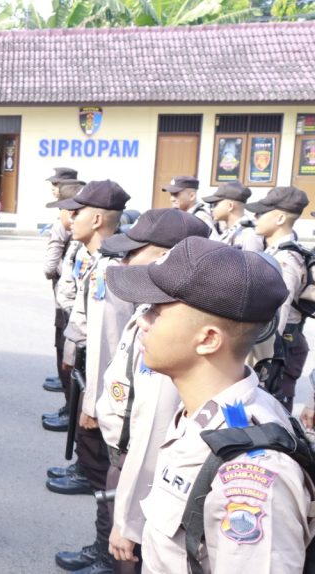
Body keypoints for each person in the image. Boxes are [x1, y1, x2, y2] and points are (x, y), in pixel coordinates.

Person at [106, 236, 314, 572]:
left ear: (208, 340)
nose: (141, 321)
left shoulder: (249, 473)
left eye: (156, 311)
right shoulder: (201, 413)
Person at [90, 208, 212, 574]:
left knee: (130, 557)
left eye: (133, 251)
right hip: (127, 459)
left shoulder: (172, 332)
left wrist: (128, 523)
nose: (124, 259)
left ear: (165, 257)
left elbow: (153, 431)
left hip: (146, 474)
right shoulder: (154, 312)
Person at [50, 180, 131, 574]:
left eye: (77, 212)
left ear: (97, 218)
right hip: (94, 376)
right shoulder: (98, 259)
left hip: (105, 387)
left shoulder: (110, 270)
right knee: (104, 471)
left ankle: (106, 552)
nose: (70, 218)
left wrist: (95, 403)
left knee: (107, 475)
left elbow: (108, 346)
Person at [247, 186, 310, 412]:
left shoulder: (286, 260)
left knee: (274, 412)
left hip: (280, 349)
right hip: (278, 347)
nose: (256, 217)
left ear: (280, 217)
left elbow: (277, 320)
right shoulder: (276, 252)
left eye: (262, 212)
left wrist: (259, 358)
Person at [42, 179, 86, 431]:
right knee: (64, 356)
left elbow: (53, 265)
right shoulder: (75, 236)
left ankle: (73, 413)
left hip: (72, 309)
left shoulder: (79, 238)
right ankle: (69, 407)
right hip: (67, 303)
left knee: (72, 362)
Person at [202, 181, 264, 252]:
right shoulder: (229, 231)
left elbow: (254, 262)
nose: (212, 209)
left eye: (215, 204)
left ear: (230, 206)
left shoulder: (249, 235)